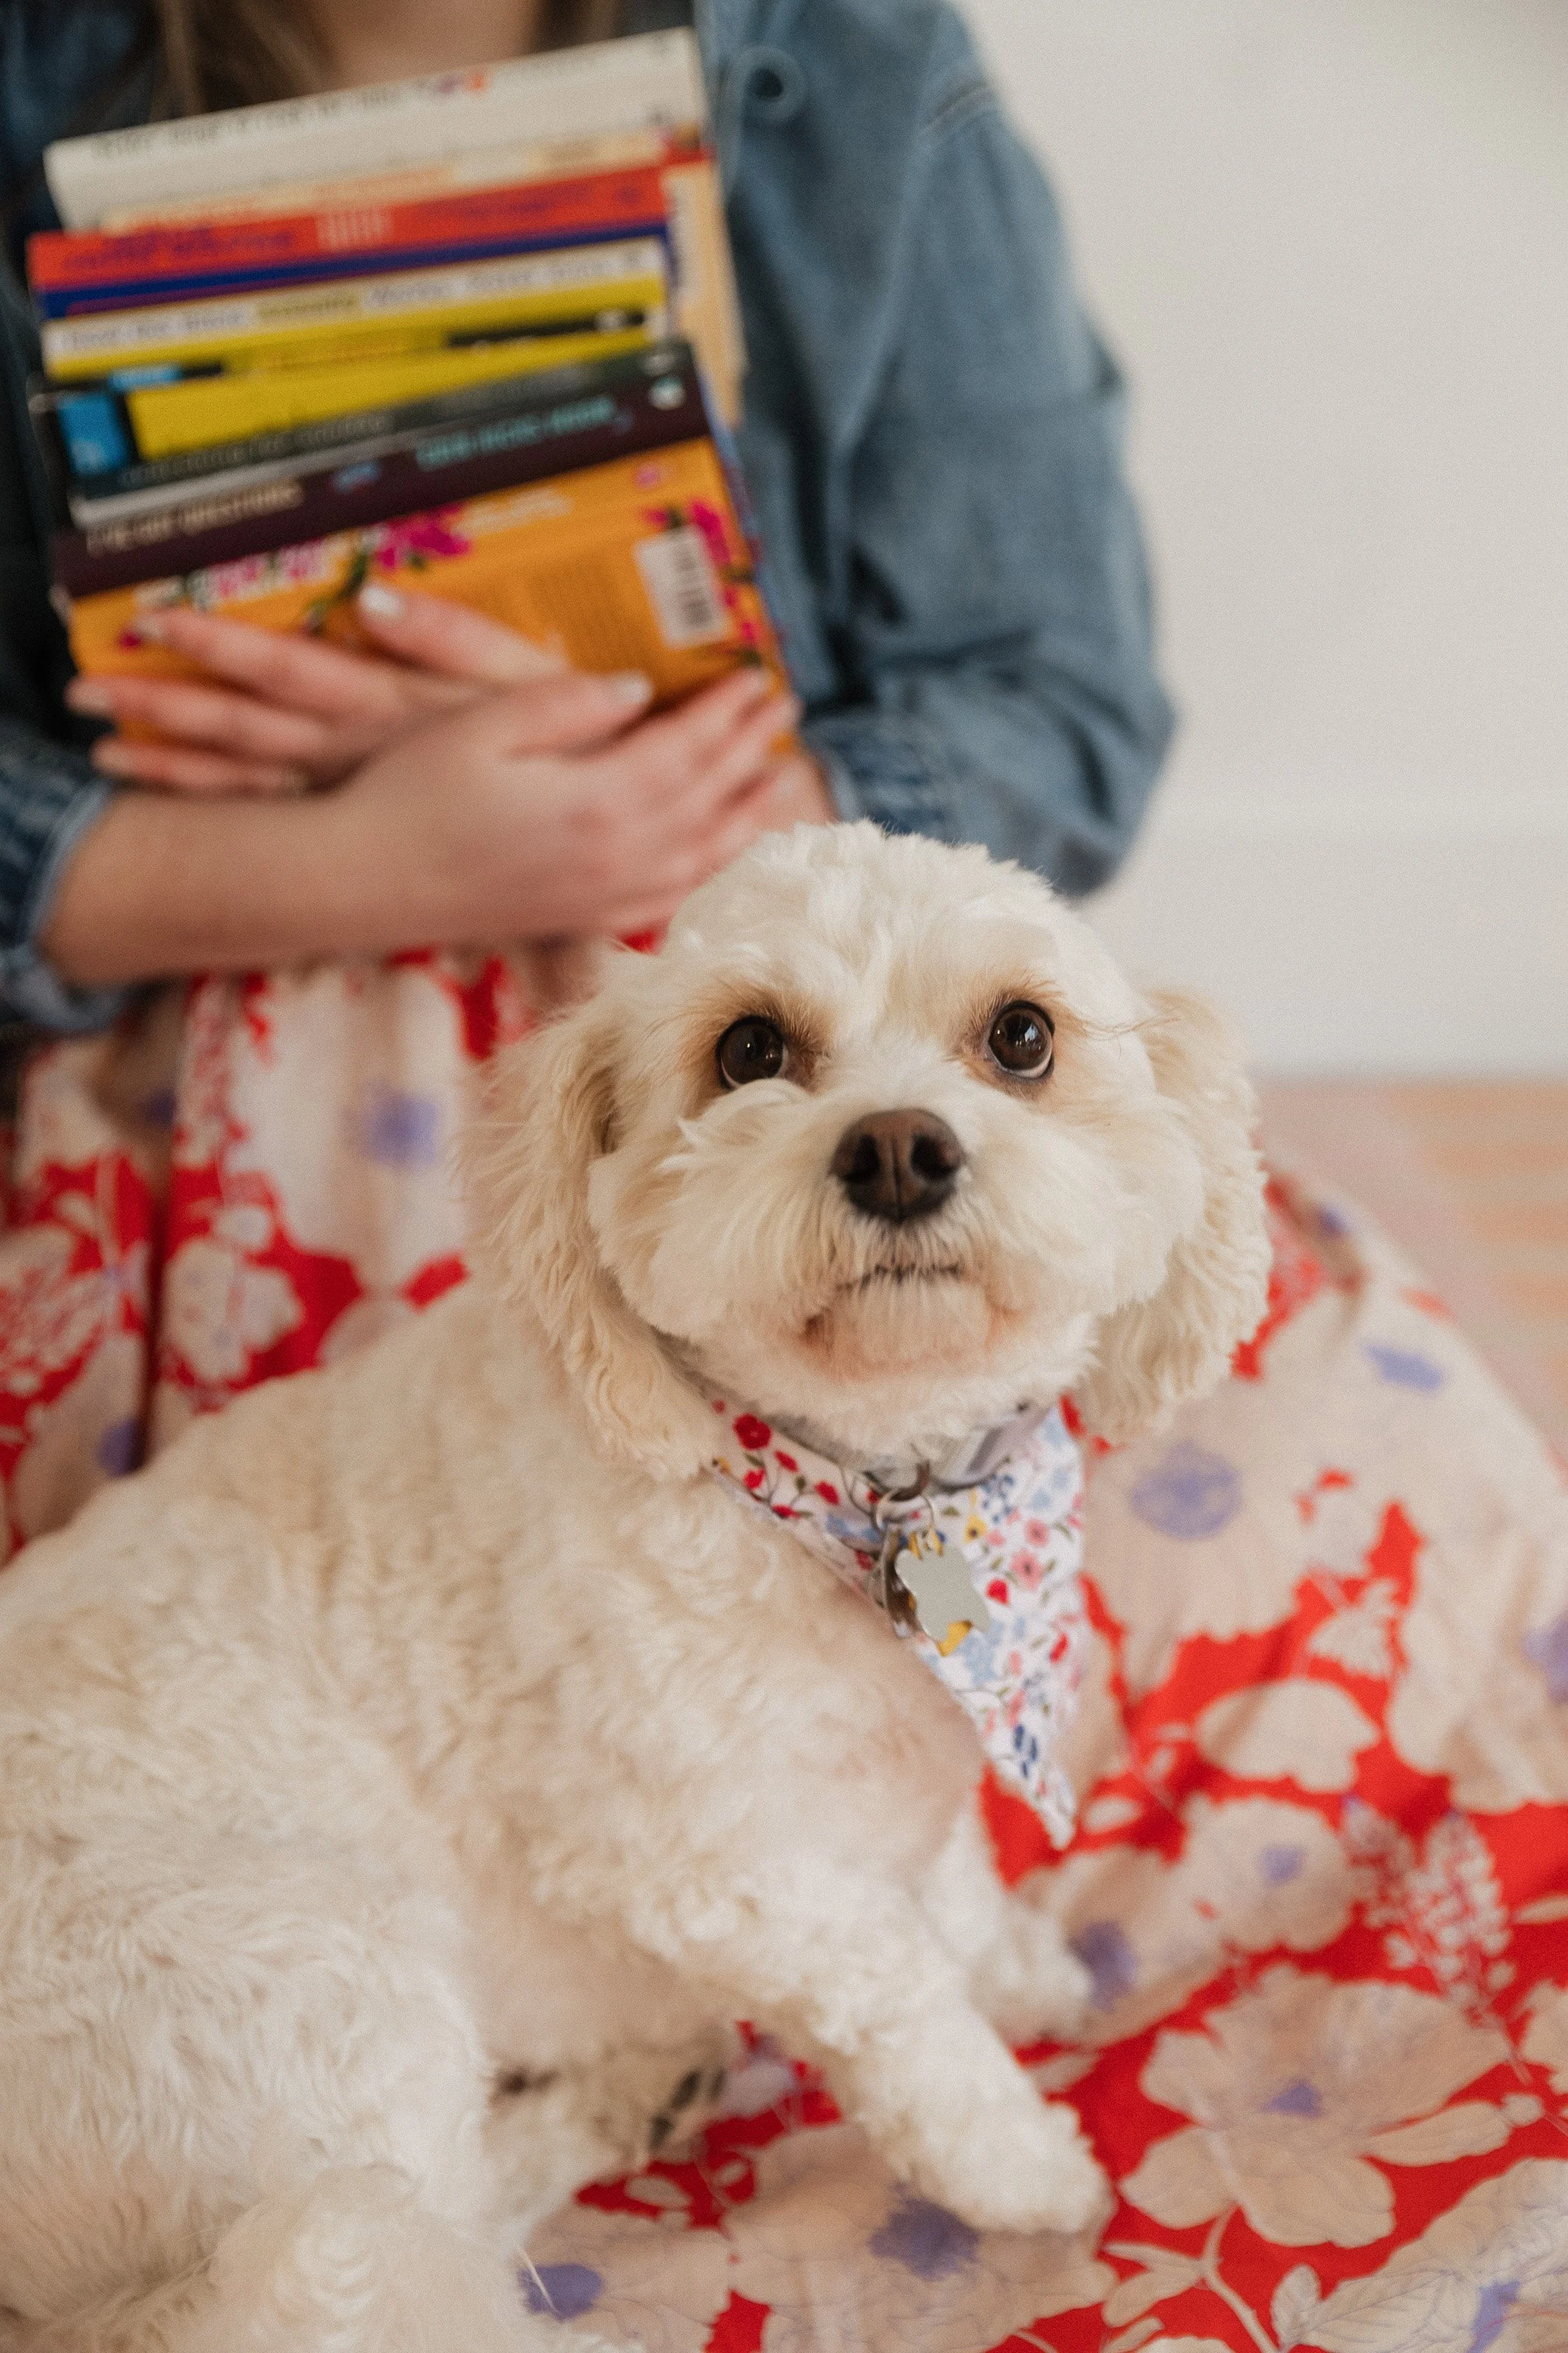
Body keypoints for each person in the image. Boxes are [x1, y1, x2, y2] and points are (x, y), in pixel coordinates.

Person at [0, 0, 1174, 1545]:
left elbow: (1064, 702)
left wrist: (655, 810)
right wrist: (362, 868)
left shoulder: (864, 74)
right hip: (189, 1023)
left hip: (725, 1002)